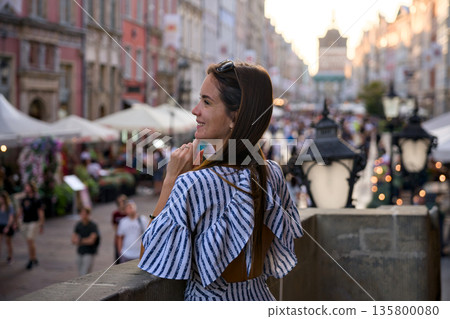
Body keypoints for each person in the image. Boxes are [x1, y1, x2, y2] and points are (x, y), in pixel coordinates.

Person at [139, 60, 303, 300]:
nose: (195, 110)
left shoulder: (193, 184)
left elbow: (150, 255)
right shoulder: (271, 173)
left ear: (234, 118)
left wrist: (171, 180)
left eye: (206, 102)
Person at [18, 182, 45, 270]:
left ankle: (31, 260)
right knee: (29, 241)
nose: (26, 188)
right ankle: (34, 257)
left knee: (30, 239)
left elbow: (41, 213)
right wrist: (16, 221)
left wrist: (41, 225)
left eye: (27, 186)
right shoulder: (23, 199)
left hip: (34, 222)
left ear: (32, 188)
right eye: (25, 186)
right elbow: (20, 211)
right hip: (25, 222)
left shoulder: (36, 199)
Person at [71, 207, 99, 276]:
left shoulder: (93, 225)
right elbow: (73, 239)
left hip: (89, 251)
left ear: (88, 214)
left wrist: (80, 240)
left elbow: (91, 241)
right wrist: (85, 240)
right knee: (80, 272)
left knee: (84, 272)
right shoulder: (78, 225)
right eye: (81, 214)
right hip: (80, 251)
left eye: (84, 214)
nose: (83, 215)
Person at [111, 194, 128, 264]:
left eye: (123, 202)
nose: (121, 204)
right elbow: (114, 226)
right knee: (118, 257)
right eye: (119, 202)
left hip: (127, 237)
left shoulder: (128, 213)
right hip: (118, 237)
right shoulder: (116, 213)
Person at [0, 191, 15, 264]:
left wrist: (8, 227)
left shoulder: (9, 206)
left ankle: (10, 257)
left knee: (8, 242)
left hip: (7, 225)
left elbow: (11, 218)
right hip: (0, 225)